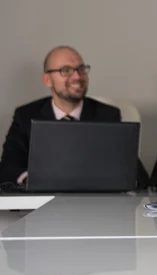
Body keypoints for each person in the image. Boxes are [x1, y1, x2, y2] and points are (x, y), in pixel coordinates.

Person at [0, 46, 147, 186]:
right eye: (66, 70)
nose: (77, 76)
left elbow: (131, 169)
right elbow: (9, 166)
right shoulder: (26, 115)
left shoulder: (107, 114)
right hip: (42, 204)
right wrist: (32, 181)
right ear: (47, 80)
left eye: (81, 69)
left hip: (94, 203)